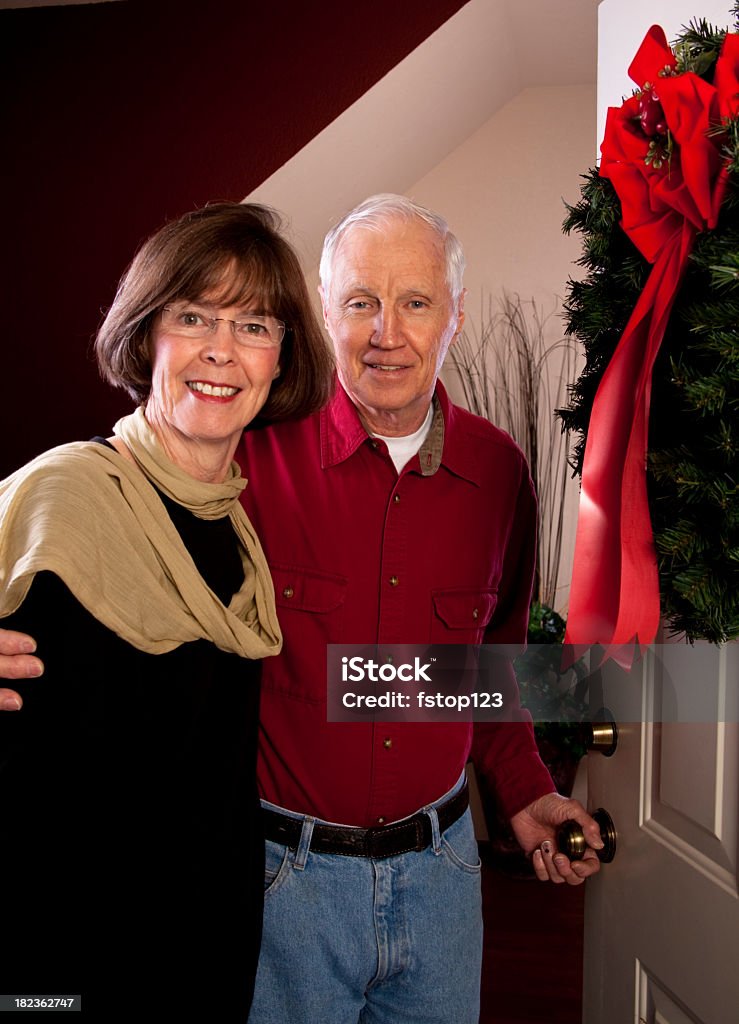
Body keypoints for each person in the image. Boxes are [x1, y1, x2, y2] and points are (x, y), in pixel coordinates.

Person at [0, 194, 603, 1024]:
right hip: (280, 882)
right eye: (359, 302)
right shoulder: (238, 447)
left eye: (415, 302)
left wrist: (526, 792)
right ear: (321, 318)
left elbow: (482, 671)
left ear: (453, 317)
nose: (384, 331)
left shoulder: (499, 474)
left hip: (442, 875)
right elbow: (79, 513)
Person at [0, 201, 333, 1021]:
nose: (222, 350)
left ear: (281, 356)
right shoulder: (66, 491)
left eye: (255, 325)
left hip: (205, 945)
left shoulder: (239, 526)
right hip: (57, 953)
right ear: (148, 335)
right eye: (193, 317)